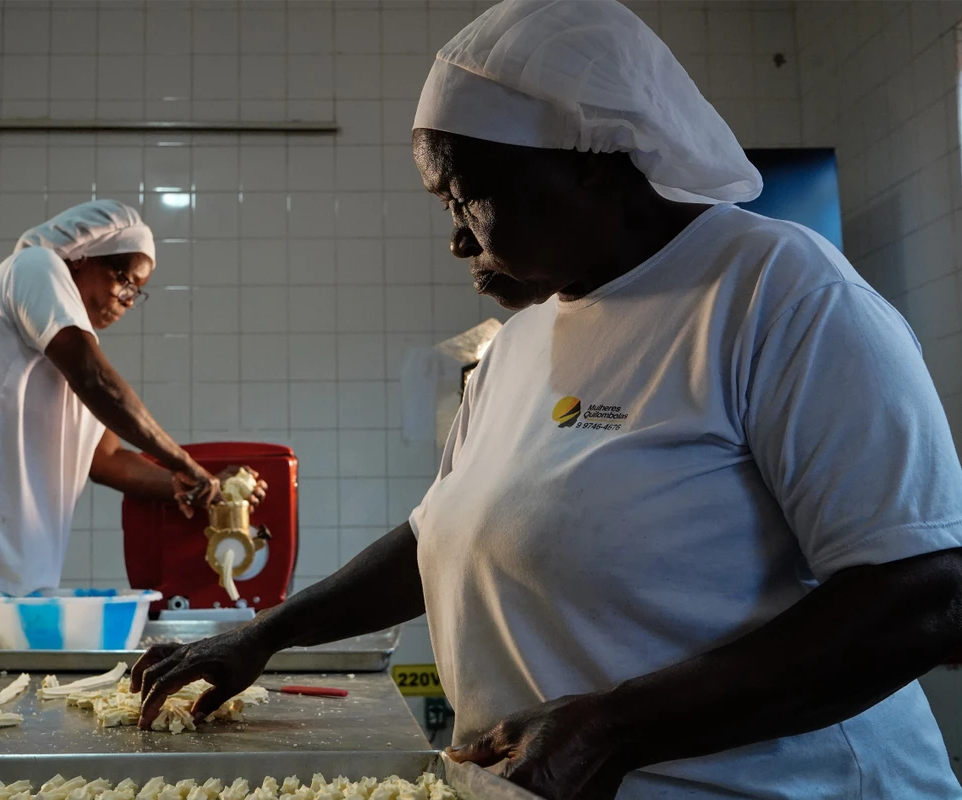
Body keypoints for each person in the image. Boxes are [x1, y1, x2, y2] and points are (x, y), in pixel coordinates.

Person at [130, 2, 962, 799]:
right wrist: (264, 634)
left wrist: (615, 729)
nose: (457, 237)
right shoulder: (522, 339)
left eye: (467, 198)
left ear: (593, 165)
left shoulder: (777, 294)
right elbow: (442, 534)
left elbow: (923, 593)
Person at [0, 200, 265, 648]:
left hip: (15, 572)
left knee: (0, 707)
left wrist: (202, 487)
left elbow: (109, 460)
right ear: (81, 256)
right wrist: (183, 460)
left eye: (137, 291)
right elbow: (97, 380)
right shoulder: (35, 267)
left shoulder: (65, 351)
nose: (127, 297)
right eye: (123, 278)